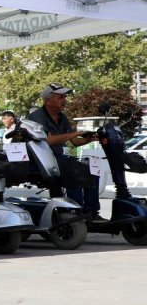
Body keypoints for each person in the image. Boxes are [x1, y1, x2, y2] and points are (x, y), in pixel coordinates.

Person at [25, 83, 100, 218]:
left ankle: (91, 211)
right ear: (48, 100)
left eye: (65, 97)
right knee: (74, 170)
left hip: (58, 159)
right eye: (61, 97)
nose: (65, 100)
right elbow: (48, 140)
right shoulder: (38, 117)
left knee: (92, 168)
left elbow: (75, 142)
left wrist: (91, 138)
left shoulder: (62, 117)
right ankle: (75, 210)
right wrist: (75, 133)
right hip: (41, 161)